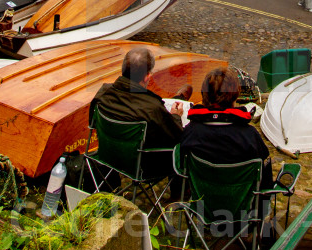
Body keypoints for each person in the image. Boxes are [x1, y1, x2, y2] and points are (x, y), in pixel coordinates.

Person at [90, 47, 185, 196]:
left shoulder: (103, 93)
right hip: (141, 167)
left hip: (107, 155)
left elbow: (92, 123)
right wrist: (176, 116)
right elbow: (177, 136)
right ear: (147, 76)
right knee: (182, 150)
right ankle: (179, 197)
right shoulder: (152, 108)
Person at [179, 68, 272, 188]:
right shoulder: (250, 136)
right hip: (241, 203)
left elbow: (180, 165)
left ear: (204, 95)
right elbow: (263, 176)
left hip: (201, 201)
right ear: (235, 96)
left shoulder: (191, 132)